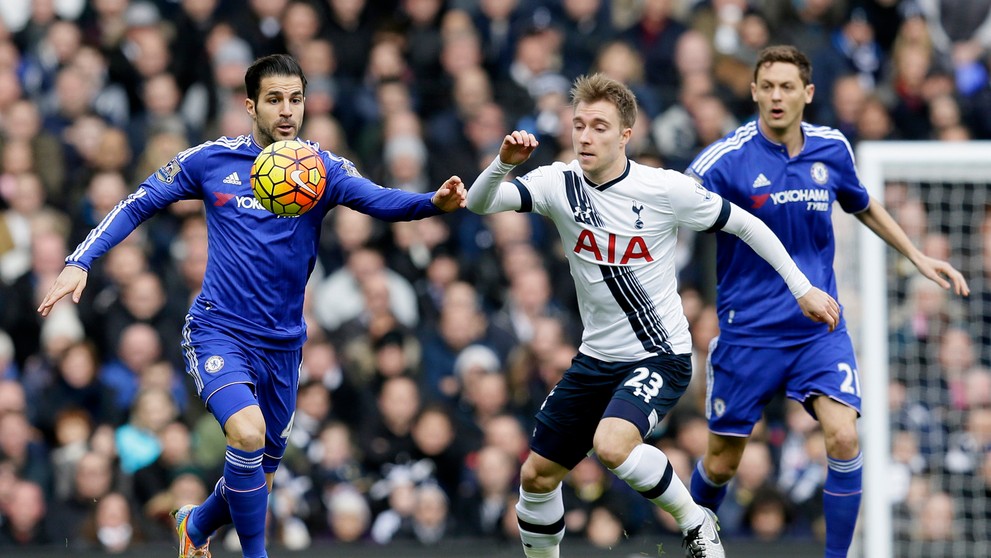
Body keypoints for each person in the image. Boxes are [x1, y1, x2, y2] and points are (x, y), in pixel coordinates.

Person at [37, 53, 466, 558]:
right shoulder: (211, 161)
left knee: (257, 469)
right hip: (218, 330)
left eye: (296, 99)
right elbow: (138, 201)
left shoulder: (320, 169)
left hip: (284, 345)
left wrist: (430, 203)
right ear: (250, 105)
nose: (287, 111)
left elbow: (380, 199)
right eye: (274, 99)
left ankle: (194, 526)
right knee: (246, 433)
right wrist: (81, 259)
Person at [466, 72, 841, 558]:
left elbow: (746, 223)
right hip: (596, 358)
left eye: (599, 126)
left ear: (626, 135)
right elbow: (479, 203)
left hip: (659, 354)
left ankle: (696, 523)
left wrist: (802, 287)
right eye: (579, 124)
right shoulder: (557, 182)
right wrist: (503, 163)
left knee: (612, 444)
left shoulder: (663, 189)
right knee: (536, 477)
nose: (584, 136)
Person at [685, 45, 970, 558]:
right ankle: (686, 537)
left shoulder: (831, 149)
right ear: (753, 91)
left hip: (818, 327)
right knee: (723, 463)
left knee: (843, 437)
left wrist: (918, 255)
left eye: (787, 86)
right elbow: (675, 202)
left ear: (807, 94)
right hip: (748, 333)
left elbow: (862, 204)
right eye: (767, 86)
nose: (776, 96)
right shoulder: (726, 159)